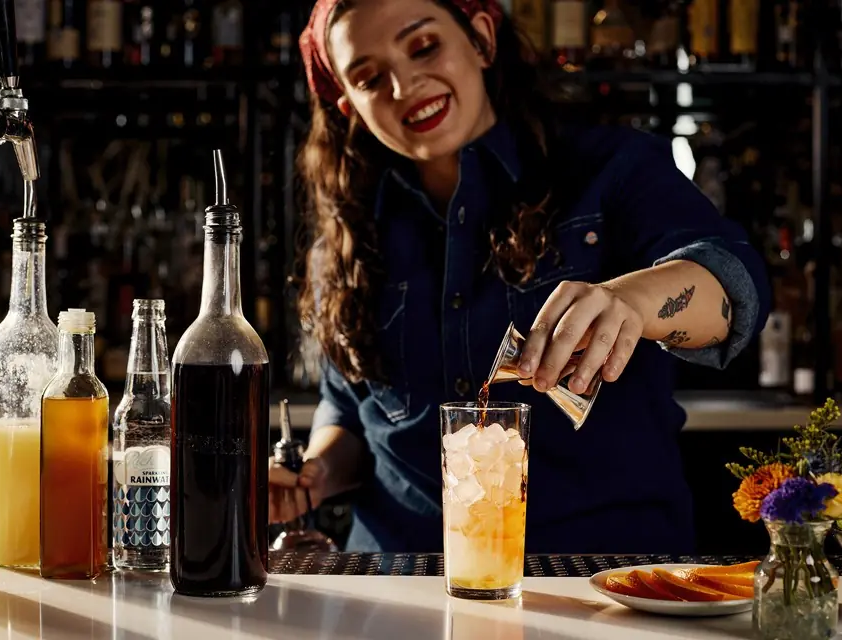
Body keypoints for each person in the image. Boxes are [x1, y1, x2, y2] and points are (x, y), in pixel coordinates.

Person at [269, 0, 771, 555]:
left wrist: (630, 300)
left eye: (424, 46)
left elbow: (730, 288)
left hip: (606, 578)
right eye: (368, 77)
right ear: (348, 105)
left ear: (482, 40)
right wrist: (314, 473)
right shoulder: (351, 239)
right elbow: (353, 411)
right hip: (402, 581)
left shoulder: (610, 168)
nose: (404, 84)